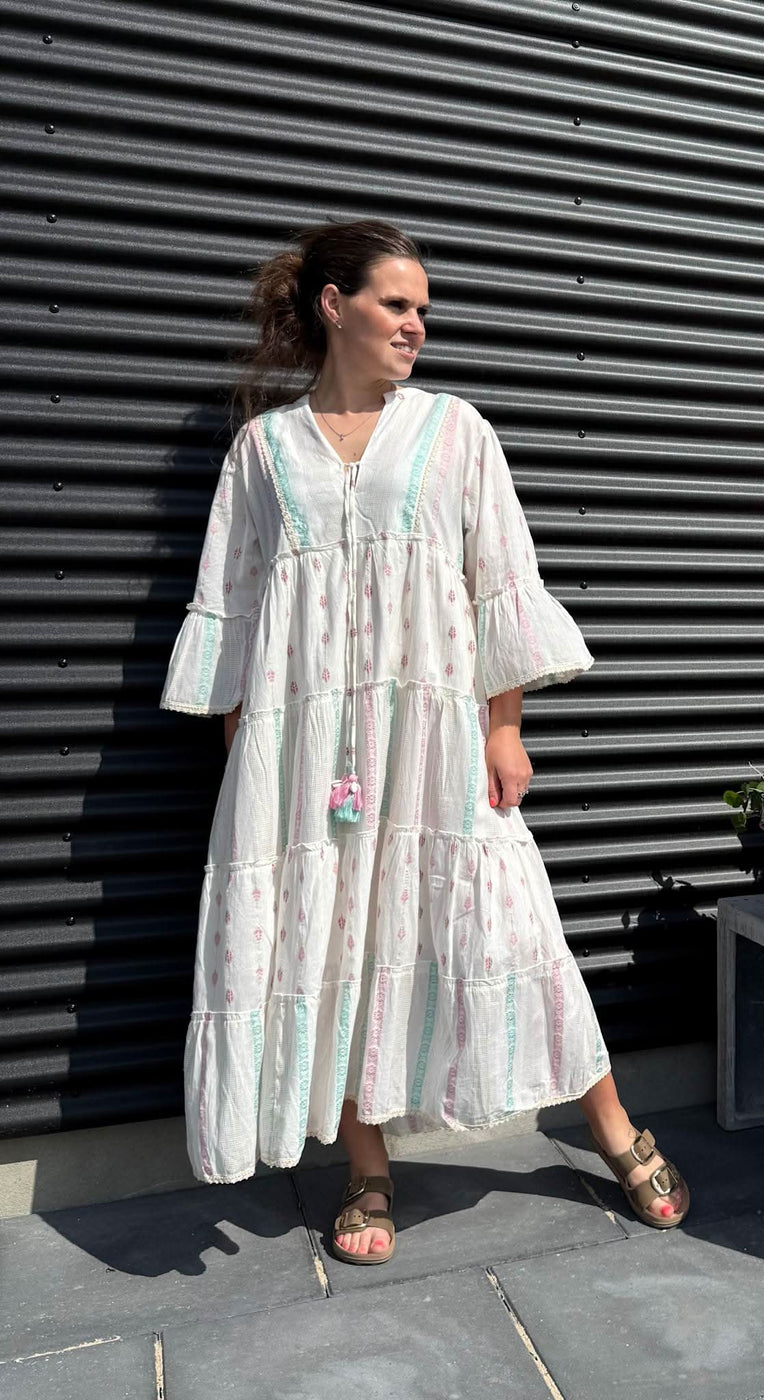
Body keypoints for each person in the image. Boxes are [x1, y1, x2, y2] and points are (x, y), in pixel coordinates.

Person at [158, 218, 689, 1264]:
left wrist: (505, 727)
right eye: (396, 304)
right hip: (305, 758)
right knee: (333, 941)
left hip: (439, 734)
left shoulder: (454, 432)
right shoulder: (263, 451)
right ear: (333, 305)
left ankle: (616, 1129)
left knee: (512, 929)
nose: (416, 325)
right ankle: (366, 1169)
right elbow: (233, 611)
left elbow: (500, 583)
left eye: (423, 311)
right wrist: (251, 766)